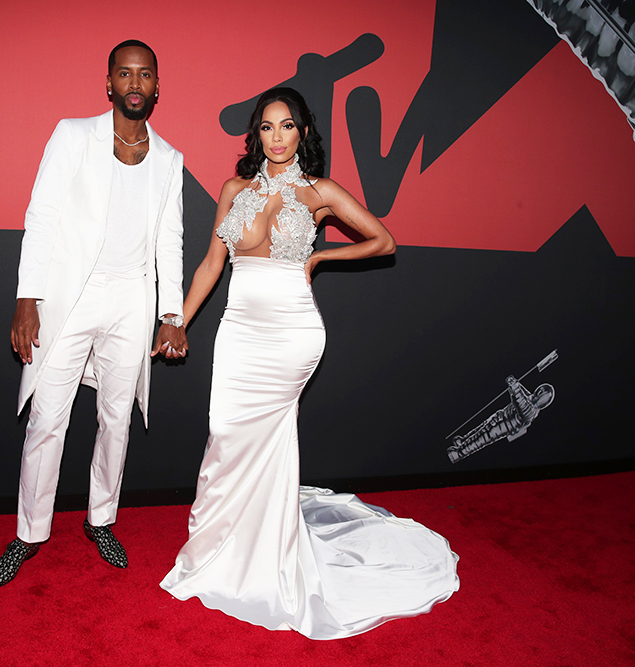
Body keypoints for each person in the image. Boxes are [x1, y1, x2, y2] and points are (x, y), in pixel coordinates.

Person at [160, 88, 459, 638]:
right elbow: (209, 265)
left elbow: (383, 241)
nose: (277, 137)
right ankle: (221, 548)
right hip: (239, 330)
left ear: (303, 133)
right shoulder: (233, 189)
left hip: (293, 332)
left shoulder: (318, 191)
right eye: (267, 127)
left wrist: (321, 256)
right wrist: (176, 319)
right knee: (225, 435)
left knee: (269, 440)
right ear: (256, 135)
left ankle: (268, 558)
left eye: (287, 126)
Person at [0, 40, 187, 591]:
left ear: (157, 86)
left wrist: (172, 313)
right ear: (109, 83)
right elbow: (42, 215)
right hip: (70, 296)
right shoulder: (73, 135)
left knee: (115, 419)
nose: (135, 83)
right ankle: (29, 532)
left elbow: (170, 241)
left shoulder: (171, 160)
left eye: (145, 74)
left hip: (131, 300)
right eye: (125, 73)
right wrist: (28, 300)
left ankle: (101, 519)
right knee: (48, 419)